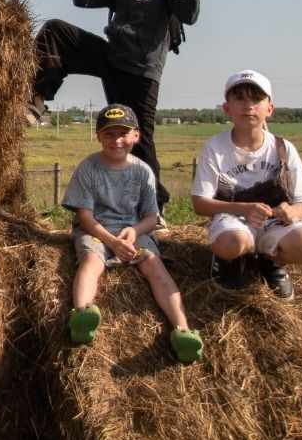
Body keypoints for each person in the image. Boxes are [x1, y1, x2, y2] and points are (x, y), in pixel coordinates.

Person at [29, 0, 207, 211]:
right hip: (112, 57)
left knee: (138, 140)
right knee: (56, 31)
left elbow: (188, 15)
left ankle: (156, 207)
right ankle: (35, 100)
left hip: (142, 69)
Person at [63, 103, 204, 364]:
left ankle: (182, 329)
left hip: (133, 230)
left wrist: (133, 231)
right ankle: (81, 313)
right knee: (91, 261)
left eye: (123, 134)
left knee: (154, 265)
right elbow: (85, 216)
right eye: (109, 134)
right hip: (96, 230)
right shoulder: (88, 168)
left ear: (136, 136)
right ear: (98, 137)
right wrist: (112, 241)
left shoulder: (143, 171)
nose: (117, 140)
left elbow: (151, 217)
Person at [189, 69, 302, 299]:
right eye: (240, 99)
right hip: (232, 220)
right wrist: (244, 209)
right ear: (227, 108)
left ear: (269, 109)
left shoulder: (283, 148)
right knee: (232, 242)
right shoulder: (215, 148)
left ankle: (271, 259)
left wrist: (292, 212)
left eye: (257, 99)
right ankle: (229, 258)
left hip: (275, 222)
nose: (248, 106)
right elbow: (199, 204)